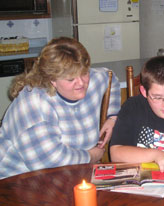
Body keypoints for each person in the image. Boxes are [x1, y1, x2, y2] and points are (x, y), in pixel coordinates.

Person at [0, 37, 121, 179]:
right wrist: (90, 156)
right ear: (52, 79)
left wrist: (112, 118)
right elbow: (51, 161)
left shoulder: (93, 79)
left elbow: (111, 80)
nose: (81, 83)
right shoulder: (33, 105)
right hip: (16, 180)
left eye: (84, 73)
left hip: (71, 174)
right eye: (70, 79)